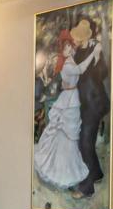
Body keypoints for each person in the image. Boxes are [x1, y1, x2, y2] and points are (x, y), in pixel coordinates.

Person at [33, 30, 90, 190]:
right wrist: (94, 54)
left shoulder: (70, 59)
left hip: (71, 98)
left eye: (70, 46)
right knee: (64, 135)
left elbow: (69, 78)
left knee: (69, 136)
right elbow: (80, 70)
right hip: (69, 99)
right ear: (63, 49)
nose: (69, 49)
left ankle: (68, 167)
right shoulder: (66, 63)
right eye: (66, 47)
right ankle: (61, 171)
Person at [69, 16, 110, 198]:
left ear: (85, 36)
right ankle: (96, 173)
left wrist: (98, 56)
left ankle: (86, 188)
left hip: (95, 103)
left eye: (78, 37)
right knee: (83, 140)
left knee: (85, 141)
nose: (76, 39)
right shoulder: (78, 53)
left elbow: (103, 73)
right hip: (83, 103)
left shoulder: (95, 49)